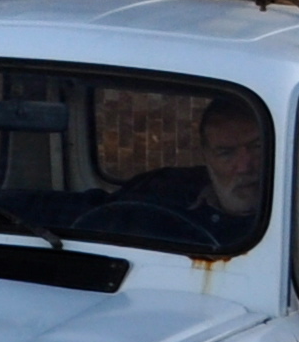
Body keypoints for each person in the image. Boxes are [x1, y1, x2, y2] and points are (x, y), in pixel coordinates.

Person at [116, 97, 275, 254]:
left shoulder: (287, 223)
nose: (244, 167)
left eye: (257, 147)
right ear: (206, 157)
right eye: (226, 153)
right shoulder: (162, 196)